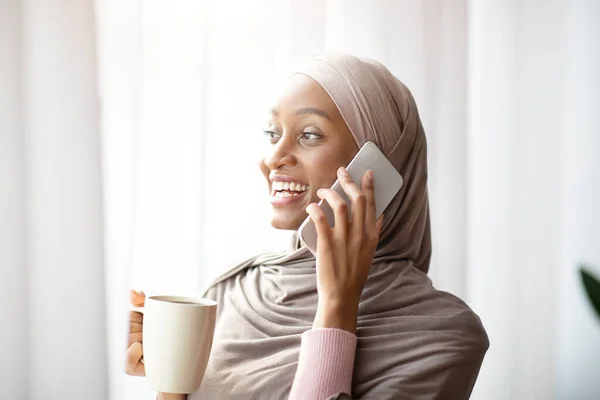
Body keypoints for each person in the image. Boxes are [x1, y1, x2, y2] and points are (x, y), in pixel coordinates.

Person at [126, 53, 489, 400]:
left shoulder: (444, 334)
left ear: (380, 166)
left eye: (309, 135)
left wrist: (337, 305)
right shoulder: (234, 290)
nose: (273, 159)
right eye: (272, 133)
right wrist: (167, 377)